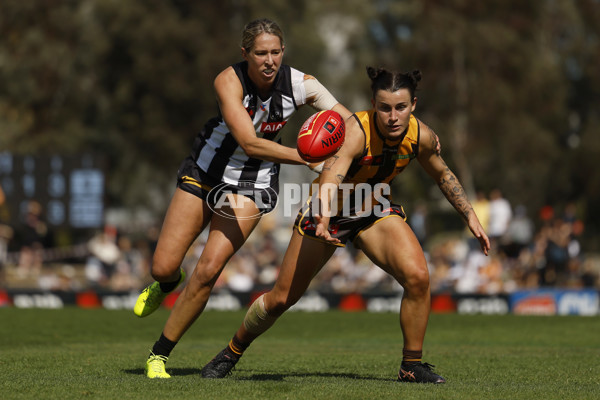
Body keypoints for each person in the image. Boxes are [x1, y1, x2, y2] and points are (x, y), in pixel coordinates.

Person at [201, 67, 490, 383]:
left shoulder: (421, 135)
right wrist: (323, 217)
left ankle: (412, 365)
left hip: (373, 210)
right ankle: (232, 350)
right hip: (329, 212)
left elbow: (443, 175)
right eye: (384, 108)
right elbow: (331, 176)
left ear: (414, 105)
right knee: (281, 299)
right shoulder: (356, 131)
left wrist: (470, 216)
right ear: (373, 104)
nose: (393, 116)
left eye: (401, 107)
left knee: (419, 278)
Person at [132, 18, 351, 379]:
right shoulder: (228, 80)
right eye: (261, 53)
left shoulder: (303, 85)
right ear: (245, 53)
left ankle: (158, 355)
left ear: (283, 52)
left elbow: (346, 120)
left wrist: (374, 134)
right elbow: (249, 142)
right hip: (205, 172)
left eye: (276, 52)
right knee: (162, 266)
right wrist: (308, 157)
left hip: (252, 185)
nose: (269, 60)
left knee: (207, 271)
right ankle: (168, 282)